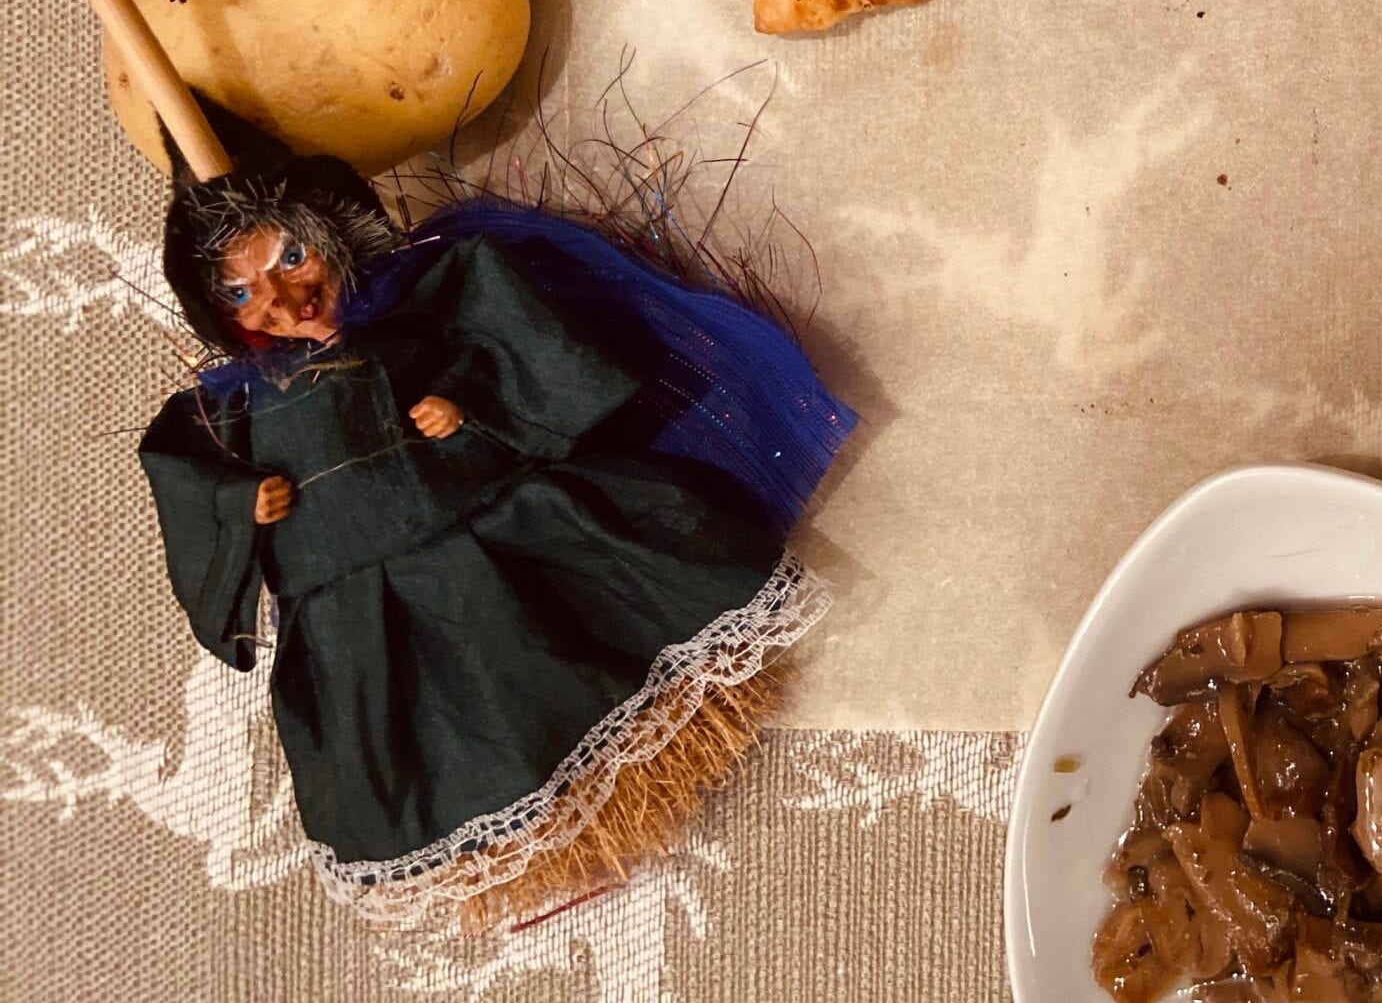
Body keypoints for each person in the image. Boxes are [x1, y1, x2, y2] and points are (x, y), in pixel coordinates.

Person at [141, 130, 850, 932]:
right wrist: (244, 506)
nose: (280, 299)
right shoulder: (237, 407)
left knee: (558, 644)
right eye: (239, 293)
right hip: (362, 613)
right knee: (447, 735)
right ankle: (533, 847)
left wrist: (465, 401)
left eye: (293, 256)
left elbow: (513, 346)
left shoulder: (417, 309)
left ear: (337, 233)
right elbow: (187, 473)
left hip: (505, 529)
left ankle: (623, 776)